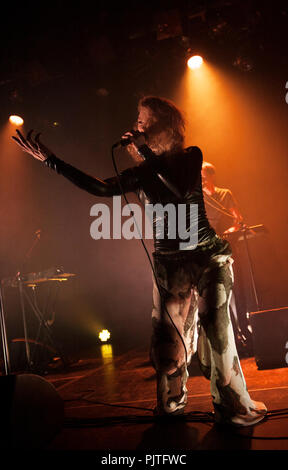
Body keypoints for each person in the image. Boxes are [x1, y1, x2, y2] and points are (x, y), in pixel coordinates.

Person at [12, 96, 267, 426]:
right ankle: (172, 404)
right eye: (137, 120)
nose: (136, 125)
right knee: (168, 342)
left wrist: (145, 151)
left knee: (218, 331)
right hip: (169, 264)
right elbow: (100, 189)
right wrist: (51, 161)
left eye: (143, 120)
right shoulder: (142, 173)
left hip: (207, 255)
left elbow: (176, 189)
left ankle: (233, 407)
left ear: (164, 125)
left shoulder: (191, 157)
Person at [201, 162, 252, 352]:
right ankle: (225, 334)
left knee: (235, 290)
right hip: (209, 250)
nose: (201, 179)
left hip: (227, 247)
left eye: (204, 175)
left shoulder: (224, 194)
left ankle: (242, 331)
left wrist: (231, 230)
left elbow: (238, 219)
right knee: (215, 291)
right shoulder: (198, 197)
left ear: (212, 175)